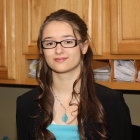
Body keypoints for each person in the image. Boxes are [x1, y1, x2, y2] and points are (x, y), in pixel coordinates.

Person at [16, 9, 132, 140]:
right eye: (49, 43)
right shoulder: (26, 104)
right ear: (42, 50)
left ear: (84, 46)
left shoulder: (111, 101)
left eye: (68, 41)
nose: (58, 50)